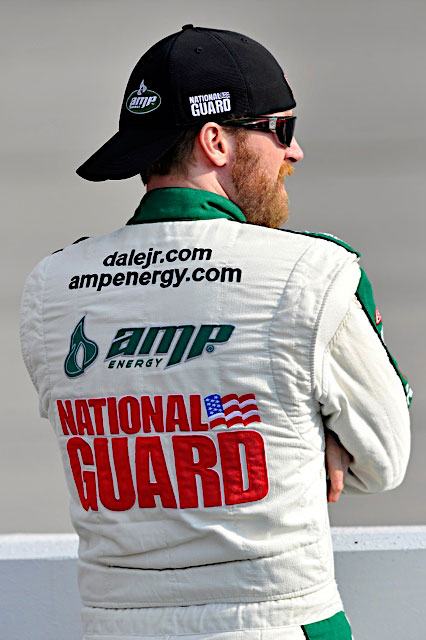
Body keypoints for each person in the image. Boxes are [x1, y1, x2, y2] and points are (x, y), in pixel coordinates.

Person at [20, 25, 412, 640]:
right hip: (275, 620)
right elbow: (383, 461)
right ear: (216, 142)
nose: (296, 151)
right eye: (281, 129)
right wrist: (309, 445)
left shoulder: (50, 287)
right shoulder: (314, 272)